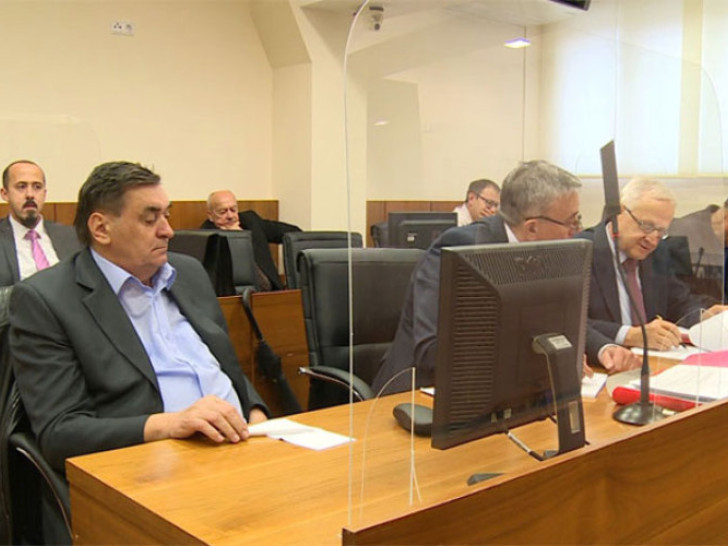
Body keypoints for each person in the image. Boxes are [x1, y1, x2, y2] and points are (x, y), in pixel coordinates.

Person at [11, 161, 269, 477]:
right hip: (155, 467)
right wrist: (171, 424)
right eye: (150, 219)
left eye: (167, 215)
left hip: (244, 445)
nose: (168, 230)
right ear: (101, 228)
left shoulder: (188, 272)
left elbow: (221, 366)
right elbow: (60, 433)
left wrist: (255, 411)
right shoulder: (46, 300)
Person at [372, 160, 639, 394]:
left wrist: (602, 348)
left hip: (504, 391)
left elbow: (559, 320)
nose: (576, 230)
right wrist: (539, 360)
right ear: (532, 227)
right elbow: (433, 351)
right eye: (571, 221)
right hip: (417, 394)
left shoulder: (546, 251)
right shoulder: (461, 249)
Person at [577, 177, 727, 351]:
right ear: (620, 212)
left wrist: (705, 316)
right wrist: (629, 335)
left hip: (654, 358)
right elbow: (567, 322)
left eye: (661, 231)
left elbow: (678, 302)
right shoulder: (582, 251)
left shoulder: (658, 252)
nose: (652, 240)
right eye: (647, 226)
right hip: (602, 361)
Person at [0, 160, 81, 285]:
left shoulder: (72, 236)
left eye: (37, 187)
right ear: (5, 194)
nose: (30, 194)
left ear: (44, 193)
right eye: (21, 186)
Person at [201, 190, 301, 290]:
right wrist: (237, 238)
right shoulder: (206, 237)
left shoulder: (250, 221)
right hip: (237, 296)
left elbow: (294, 233)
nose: (230, 216)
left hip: (273, 292)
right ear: (210, 215)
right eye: (223, 212)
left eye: (233, 210)